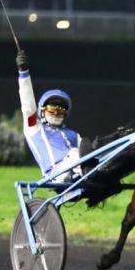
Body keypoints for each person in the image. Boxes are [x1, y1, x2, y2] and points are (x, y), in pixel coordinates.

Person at [16, 50, 82, 182]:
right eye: (52, 109)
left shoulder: (74, 135)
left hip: (80, 169)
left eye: (61, 109)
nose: (57, 112)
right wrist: (23, 73)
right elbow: (28, 105)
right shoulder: (34, 127)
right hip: (56, 174)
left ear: (66, 113)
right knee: (75, 153)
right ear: (42, 111)